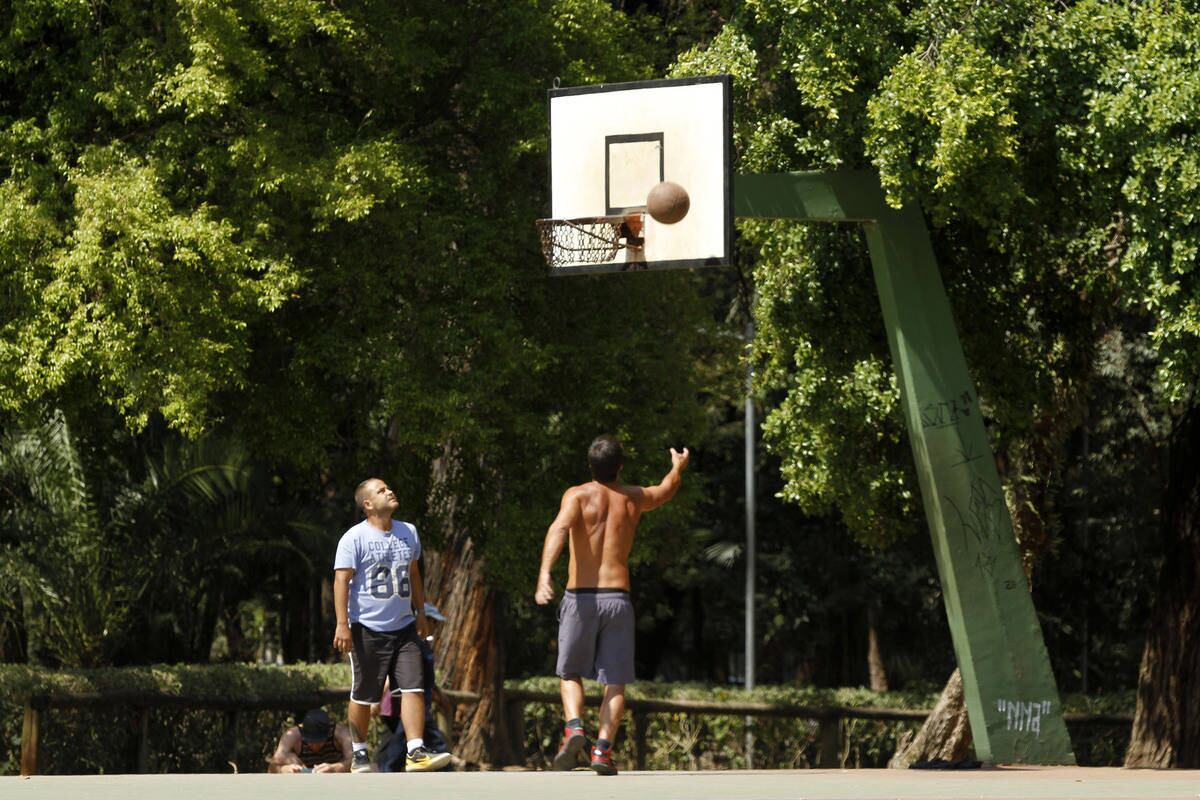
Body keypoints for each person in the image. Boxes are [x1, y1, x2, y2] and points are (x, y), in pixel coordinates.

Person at [535, 436, 689, 775]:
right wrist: (677, 468)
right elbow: (665, 491)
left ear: (590, 465)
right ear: (620, 466)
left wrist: (545, 574)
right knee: (615, 681)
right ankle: (602, 750)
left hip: (580, 598)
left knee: (570, 672)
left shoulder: (576, 495)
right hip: (617, 599)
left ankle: (574, 727)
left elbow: (559, 528)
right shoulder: (632, 498)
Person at [333, 478, 453, 773]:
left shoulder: (408, 532)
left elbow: (414, 573)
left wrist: (421, 613)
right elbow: (341, 581)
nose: (390, 491)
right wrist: (342, 625)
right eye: (381, 490)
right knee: (364, 695)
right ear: (368, 504)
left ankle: (416, 751)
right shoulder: (354, 538)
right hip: (367, 628)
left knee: (414, 687)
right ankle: (359, 752)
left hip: (404, 627)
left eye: (388, 487)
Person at [376, 602, 452, 772]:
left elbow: (425, 677)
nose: (435, 626)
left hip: (420, 702)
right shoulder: (410, 645)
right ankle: (387, 769)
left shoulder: (422, 643)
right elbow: (394, 674)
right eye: (432, 621)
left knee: (404, 738)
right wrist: (378, 698)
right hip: (406, 703)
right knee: (405, 738)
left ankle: (388, 768)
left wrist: (437, 693)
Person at [267, 708, 352, 773]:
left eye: (319, 741)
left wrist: (335, 768)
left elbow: (354, 761)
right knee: (288, 758)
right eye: (310, 741)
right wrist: (285, 769)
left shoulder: (341, 734)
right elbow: (273, 766)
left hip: (335, 781)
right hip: (299, 783)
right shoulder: (292, 736)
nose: (315, 745)